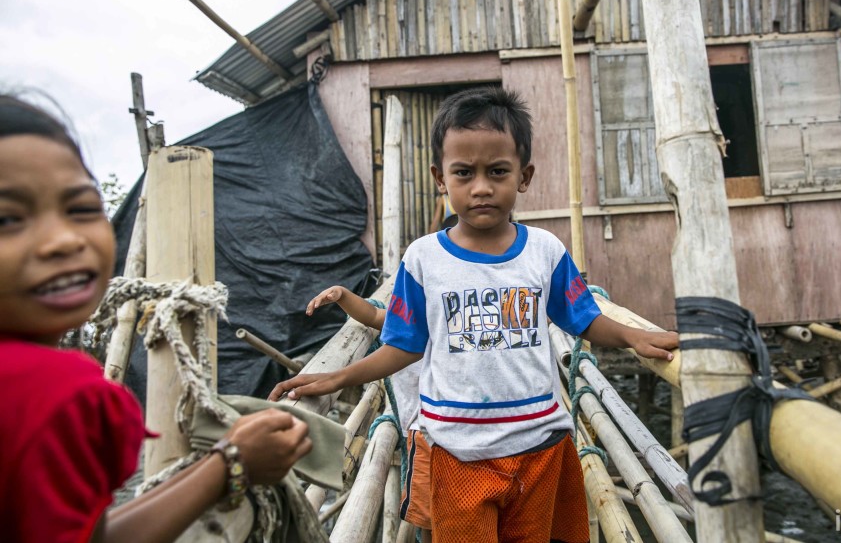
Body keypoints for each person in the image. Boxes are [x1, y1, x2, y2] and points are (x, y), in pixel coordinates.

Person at [271, 87, 679, 543]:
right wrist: (335, 378)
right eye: (464, 173)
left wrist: (632, 337)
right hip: (457, 451)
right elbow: (405, 344)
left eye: (497, 172)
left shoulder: (544, 251)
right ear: (440, 178)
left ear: (524, 176)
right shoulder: (423, 258)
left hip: (540, 443)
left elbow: (581, 318)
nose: (481, 187)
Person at [0, 93, 313, 543]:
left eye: (82, 209)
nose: (61, 240)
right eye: (9, 218)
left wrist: (224, 458)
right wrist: (233, 465)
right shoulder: (55, 392)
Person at [305, 286, 433, 543]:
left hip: (445, 435)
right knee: (429, 520)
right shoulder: (420, 315)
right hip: (424, 437)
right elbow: (374, 314)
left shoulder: (442, 317)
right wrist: (342, 295)